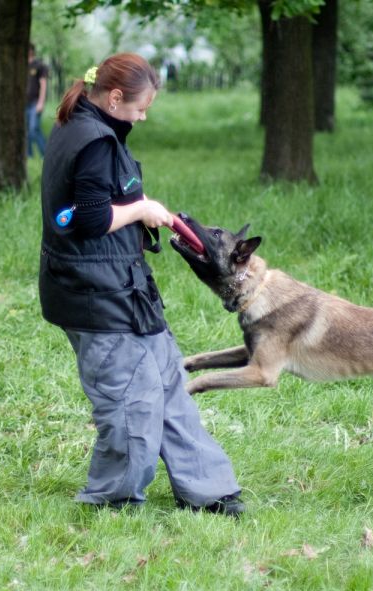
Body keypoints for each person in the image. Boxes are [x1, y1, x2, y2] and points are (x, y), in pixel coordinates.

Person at [38, 53, 244, 516]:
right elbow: (90, 219)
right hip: (96, 295)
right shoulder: (92, 139)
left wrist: (141, 204)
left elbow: (97, 196)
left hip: (124, 286)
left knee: (169, 383)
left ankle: (209, 489)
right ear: (114, 98)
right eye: (141, 108)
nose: (143, 116)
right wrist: (141, 210)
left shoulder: (83, 124)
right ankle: (113, 497)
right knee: (132, 399)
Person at [26, 44, 48, 158]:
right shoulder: (20, 65)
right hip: (23, 103)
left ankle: (46, 153)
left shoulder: (39, 65)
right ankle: (28, 155)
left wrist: (41, 102)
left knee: (33, 128)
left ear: (31, 50)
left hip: (35, 102)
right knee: (26, 130)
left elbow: (43, 85)